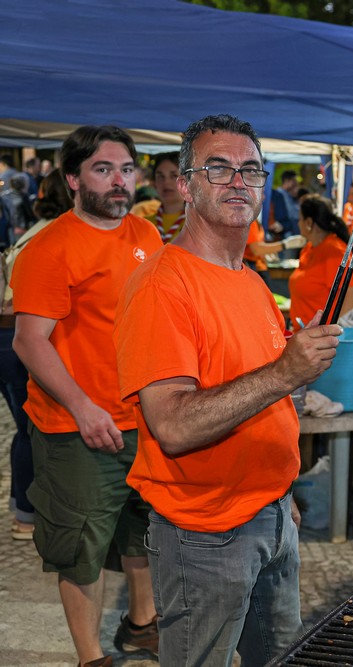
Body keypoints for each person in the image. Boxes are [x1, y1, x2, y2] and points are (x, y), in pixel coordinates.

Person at [114, 114, 341, 665]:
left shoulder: (252, 282)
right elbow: (172, 425)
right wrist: (286, 372)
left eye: (251, 169)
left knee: (279, 656)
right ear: (186, 185)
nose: (238, 181)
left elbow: (260, 397)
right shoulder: (163, 285)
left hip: (269, 516)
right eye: (218, 168)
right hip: (204, 535)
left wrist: (278, 494)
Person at [11, 126, 162, 666]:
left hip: (144, 418)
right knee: (80, 549)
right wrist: (82, 408)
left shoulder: (148, 235)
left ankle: (143, 625)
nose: (119, 181)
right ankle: (90, 656)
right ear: (73, 178)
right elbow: (30, 341)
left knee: (142, 529)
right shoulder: (50, 248)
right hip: (76, 428)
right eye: (103, 169)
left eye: (126, 169)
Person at [2, 168, 75, 542]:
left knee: (26, 430)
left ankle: (24, 510)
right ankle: (27, 513)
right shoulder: (53, 237)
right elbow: (30, 331)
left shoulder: (39, 230)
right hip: (13, 339)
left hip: (7, 338)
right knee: (31, 430)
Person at [288, 194, 353, 329]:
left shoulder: (334, 251)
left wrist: (328, 329)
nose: (298, 223)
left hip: (320, 340)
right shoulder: (309, 249)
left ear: (309, 223)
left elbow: (352, 295)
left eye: (300, 219)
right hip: (304, 334)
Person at [270, 169, 301, 243]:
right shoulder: (278, 195)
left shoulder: (290, 196)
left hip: (293, 233)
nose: (296, 183)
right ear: (287, 181)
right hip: (285, 236)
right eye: (294, 181)